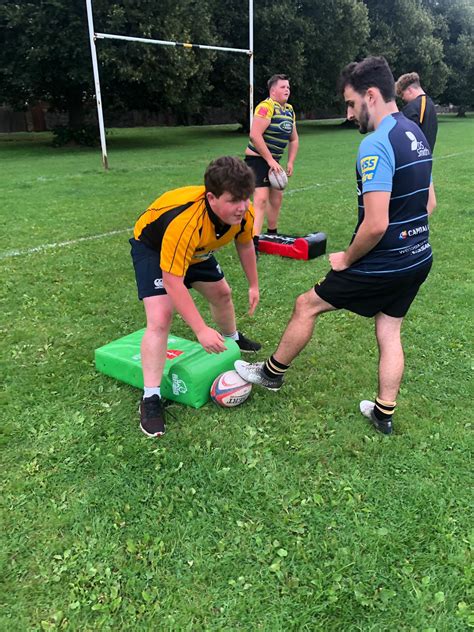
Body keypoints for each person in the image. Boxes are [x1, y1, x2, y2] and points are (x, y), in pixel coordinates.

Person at [235, 56, 436, 435]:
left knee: (306, 305)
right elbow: (430, 203)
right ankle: (383, 412)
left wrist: (347, 257)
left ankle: (271, 373)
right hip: (419, 256)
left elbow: (375, 225)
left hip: (385, 260)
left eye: (350, 103)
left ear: (371, 96)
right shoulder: (415, 133)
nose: (348, 113)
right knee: (390, 329)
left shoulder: (376, 144)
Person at [130, 156, 261, 438]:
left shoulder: (242, 213)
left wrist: (253, 284)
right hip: (154, 247)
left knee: (223, 293)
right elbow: (173, 280)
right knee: (160, 317)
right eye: (234, 200)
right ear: (211, 197)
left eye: (246, 198)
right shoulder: (186, 221)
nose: (242, 207)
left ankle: (232, 339)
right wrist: (200, 330)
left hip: (197, 250)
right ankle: (151, 397)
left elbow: (245, 243)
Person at [245, 74, 299, 252]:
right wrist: (269, 160)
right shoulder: (266, 107)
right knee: (260, 199)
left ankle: (272, 234)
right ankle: (253, 241)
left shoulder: (289, 110)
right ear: (273, 90)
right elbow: (254, 134)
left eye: (288, 87)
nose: (287, 90)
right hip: (257, 159)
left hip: (273, 160)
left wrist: (290, 161)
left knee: (277, 197)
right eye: (283, 87)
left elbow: (294, 139)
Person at [396, 72, 438, 151]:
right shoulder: (430, 104)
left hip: (412, 157)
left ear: (409, 90)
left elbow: (403, 136)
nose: (403, 98)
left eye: (402, 94)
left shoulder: (412, 108)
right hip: (427, 156)